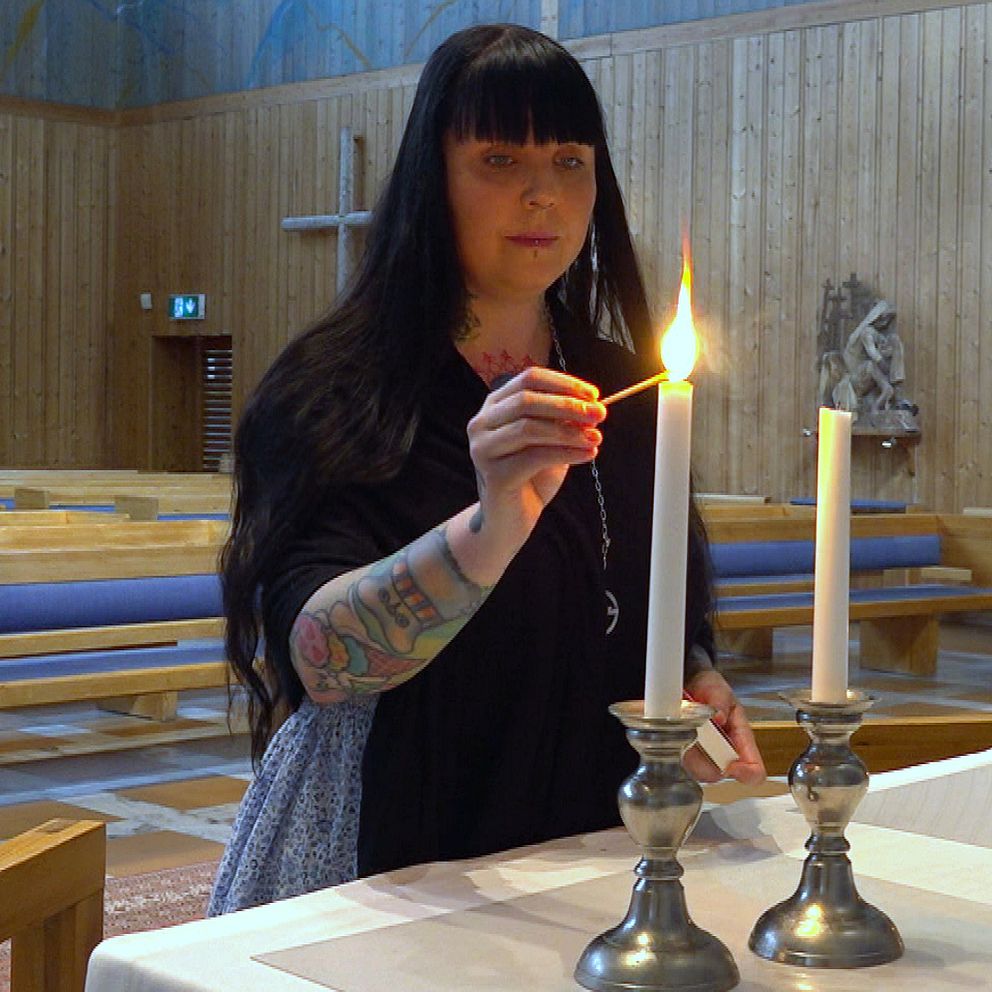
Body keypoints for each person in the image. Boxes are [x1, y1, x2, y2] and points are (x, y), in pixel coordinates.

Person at [208, 22, 765, 915]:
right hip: (396, 843)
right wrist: (489, 524)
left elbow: (636, 593)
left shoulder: (629, 388)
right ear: (433, 180)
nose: (543, 194)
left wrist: (688, 678)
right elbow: (320, 662)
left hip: (591, 839)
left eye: (570, 161)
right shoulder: (334, 389)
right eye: (500, 160)